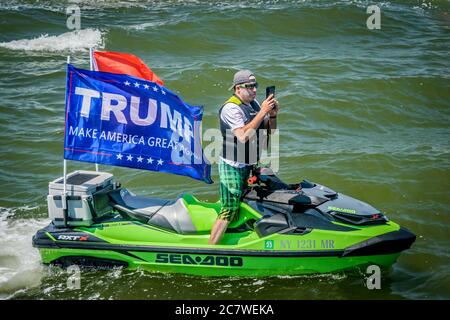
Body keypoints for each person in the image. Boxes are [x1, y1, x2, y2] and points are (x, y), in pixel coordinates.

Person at [208, 70, 279, 245]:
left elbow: (270, 131)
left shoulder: (254, 104)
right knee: (230, 208)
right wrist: (263, 112)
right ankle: (210, 249)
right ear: (238, 88)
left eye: (256, 86)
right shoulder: (230, 108)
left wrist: (273, 115)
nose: (254, 90)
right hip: (232, 165)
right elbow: (243, 136)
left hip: (249, 163)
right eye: (250, 86)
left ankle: (240, 236)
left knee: (247, 200)